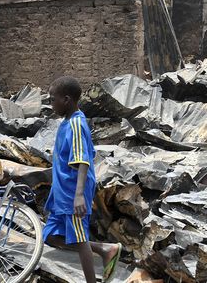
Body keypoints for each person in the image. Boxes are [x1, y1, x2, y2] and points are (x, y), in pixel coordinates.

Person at [43, 76, 122, 283]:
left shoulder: (77, 124)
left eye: (53, 99)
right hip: (62, 193)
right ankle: (105, 250)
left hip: (73, 192)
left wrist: (79, 196)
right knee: (50, 236)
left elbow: (83, 161)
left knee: (80, 239)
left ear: (66, 99)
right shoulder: (65, 123)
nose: (50, 104)